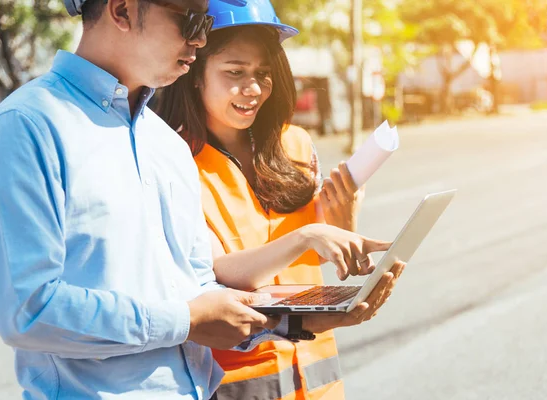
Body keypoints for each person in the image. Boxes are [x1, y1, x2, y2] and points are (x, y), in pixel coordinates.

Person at [0, 0, 294, 398]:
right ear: (122, 10)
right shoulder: (27, 127)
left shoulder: (167, 145)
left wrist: (282, 320)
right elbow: (28, 310)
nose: (201, 39)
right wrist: (184, 320)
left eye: (205, 21)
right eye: (190, 19)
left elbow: (196, 286)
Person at [156, 0, 405, 398]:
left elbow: (315, 259)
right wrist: (310, 234)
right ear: (196, 73)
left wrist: (345, 225)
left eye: (263, 74)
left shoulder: (295, 144)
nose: (253, 89)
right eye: (235, 72)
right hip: (237, 381)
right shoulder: (174, 159)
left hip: (317, 376)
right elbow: (220, 273)